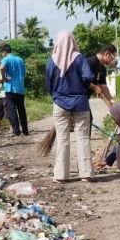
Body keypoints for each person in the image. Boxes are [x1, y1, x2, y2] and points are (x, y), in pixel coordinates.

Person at [45, 31, 95, 183]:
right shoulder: (79, 58)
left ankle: (61, 176)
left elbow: (48, 84)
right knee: (83, 138)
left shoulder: (52, 60)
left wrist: (56, 95)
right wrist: (81, 88)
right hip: (80, 103)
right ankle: (86, 174)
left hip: (60, 103)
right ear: (73, 41)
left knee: (62, 139)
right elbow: (88, 77)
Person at [0, 44, 29, 137]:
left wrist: (4, 78)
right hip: (20, 88)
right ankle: (25, 130)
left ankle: (16, 131)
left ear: (4, 52)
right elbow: (24, 74)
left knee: (12, 110)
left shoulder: (6, 59)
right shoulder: (20, 60)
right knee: (21, 110)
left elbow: (1, 68)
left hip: (10, 88)